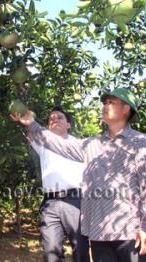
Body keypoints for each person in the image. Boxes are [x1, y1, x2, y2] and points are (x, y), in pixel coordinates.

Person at [11, 88, 146, 262]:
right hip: (100, 234)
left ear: (126, 108)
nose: (105, 106)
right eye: (104, 103)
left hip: (129, 232)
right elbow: (59, 145)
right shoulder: (93, 144)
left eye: (111, 102)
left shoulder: (140, 143)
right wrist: (32, 123)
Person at [29, 106, 90, 262]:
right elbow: (31, 130)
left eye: (59, 117)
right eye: (51, 119)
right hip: (50, 203)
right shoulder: (43, 144)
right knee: (51, 252)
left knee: (80, 249)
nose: (54, 120)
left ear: (69, 124)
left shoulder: (79, 145)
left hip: (75, 201)